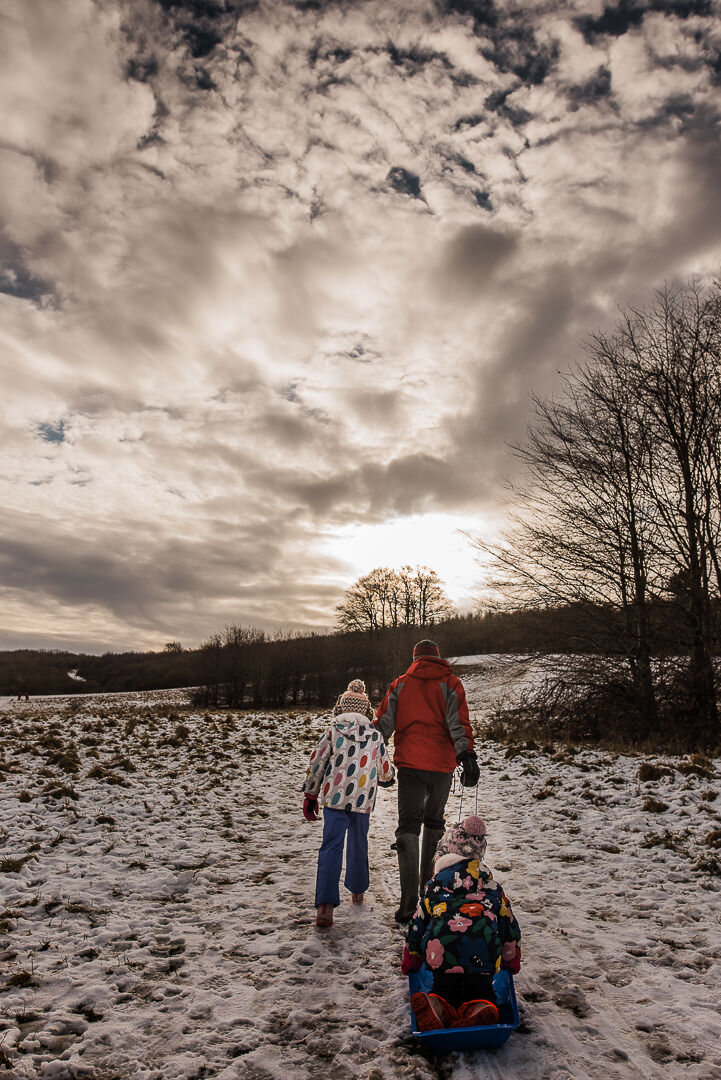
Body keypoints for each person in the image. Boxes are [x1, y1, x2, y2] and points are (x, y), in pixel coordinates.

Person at [375, 640, 479, 923]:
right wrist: (466, 755)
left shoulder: (400, 684)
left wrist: (372, 758)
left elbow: (382, 725)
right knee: (434, 822)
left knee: (408, 826)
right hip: (441, 766)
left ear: (414, 658)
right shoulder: (451, 683)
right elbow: (459, 723)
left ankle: (408, 905)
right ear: (438, 657)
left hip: (410, 764)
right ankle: (430, 897)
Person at [401, 815, 522, 1031]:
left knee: (443, 987)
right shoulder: (492, 887)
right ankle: (480, 1007)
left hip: (440, 953)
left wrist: (412, 957)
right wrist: (510, 958)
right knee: (481, 990)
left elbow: (417, 925)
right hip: (482, 953)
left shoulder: (434, 886)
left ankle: (438, 1004)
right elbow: (508, 926)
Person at [302, 679, 395, 928]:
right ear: (366, 711)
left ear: (341, 707)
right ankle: (357, 891)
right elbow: (386, 772)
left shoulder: (333, 731)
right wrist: (387, 777)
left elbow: (316, 763)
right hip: (362, 801)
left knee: (331, 846)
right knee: (358, 844)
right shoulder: (375, 735)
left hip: (334, 799)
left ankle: (325, 906)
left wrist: (310, 794)